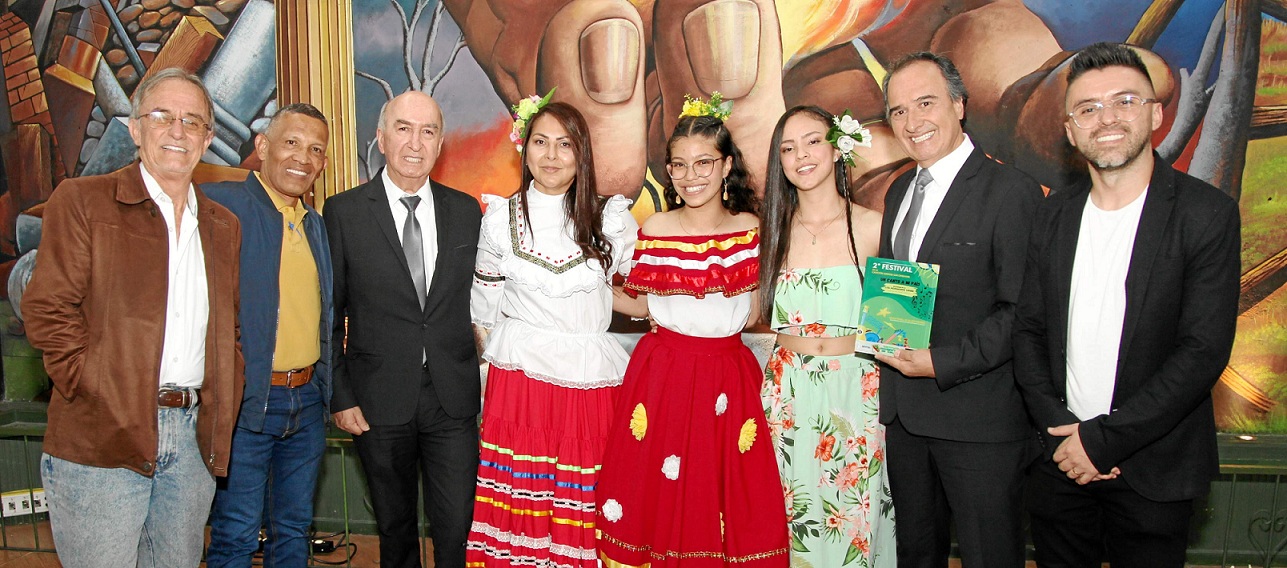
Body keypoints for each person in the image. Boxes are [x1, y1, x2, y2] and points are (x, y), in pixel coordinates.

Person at [1013, 42, 1240, 568]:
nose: (1106, 118)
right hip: (1059, 463)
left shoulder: (1206, 214)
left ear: (1156, 114)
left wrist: (1102, 442)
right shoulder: (1053, 214)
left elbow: (1202, 351)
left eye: (1124, 101)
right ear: (1071, 130)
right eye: (1087, 109)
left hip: (1153, 471)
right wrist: (1061, 433)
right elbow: (1027, 329)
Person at [21, 68, 243, 567]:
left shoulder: (223, 227)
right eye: (162, 116)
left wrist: (222, 399)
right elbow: (48, 309)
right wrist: (92, 384)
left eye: (192, 121)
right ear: (135, 128)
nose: (178, 131)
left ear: (208, 138)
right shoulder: (83, 202)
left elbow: (228, 332)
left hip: (191, 444)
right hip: (100, 438)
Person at [595, 109, 789, 567]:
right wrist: (586, 284)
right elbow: (642, 305)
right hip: (661, 376)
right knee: (654, 488)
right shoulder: (657, 230)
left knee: (721, 488)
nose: (689, 176)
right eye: (678, 165)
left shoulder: (751, 230)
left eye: (703, 163)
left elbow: (761, 312)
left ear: (725, 166)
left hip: (727, 377)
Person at [872, 52, 1043, 568]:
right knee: (916, 555)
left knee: (991, 556)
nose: (912, 121)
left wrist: (940, 362)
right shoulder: (900, 189)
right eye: (898, 111)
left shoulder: (1010, 191)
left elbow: (1022, 313)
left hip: (980, 422)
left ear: (959, 104)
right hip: (906, 419)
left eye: (925, 103)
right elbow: (899, 290)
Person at [465, 101, 638, 567]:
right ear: (524, 149)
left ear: (582, 153)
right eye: (541, 142)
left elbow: (639, 293)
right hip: (520, 383)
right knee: (521, 501)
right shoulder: (500, 219)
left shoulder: (612, 220)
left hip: (589, 383)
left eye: (565, 144)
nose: (552, 155)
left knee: (584, 498)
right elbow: (484, 312)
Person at [324, 90, 483, 568]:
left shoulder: (467, 211)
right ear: (381, 137)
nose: (415, 142)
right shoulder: (345, 212)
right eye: (403, 128)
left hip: (451, 399)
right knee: (395, 531)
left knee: (456, 527)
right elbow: (329, 314)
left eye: (428, 131)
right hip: (376, 399)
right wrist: (341, 395)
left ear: (440, 144)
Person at [758, 105, 895, 567]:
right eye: (788, 148)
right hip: (787, 394)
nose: (802, 156)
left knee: (853, 520)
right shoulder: (769, 233)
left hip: (856, 394)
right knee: (787, 518)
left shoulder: (877, 227)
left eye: (813, 141)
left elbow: (899, 331)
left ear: (838, 147)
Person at [204, 102, 335, 567]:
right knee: (237, 535)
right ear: (263, 147)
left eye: (315, 149)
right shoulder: (222, 206)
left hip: (306, 404)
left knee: (294, 531)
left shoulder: (315, 225)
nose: (303, 157)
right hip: (247, 404)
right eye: (292, 143)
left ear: (322, 163)